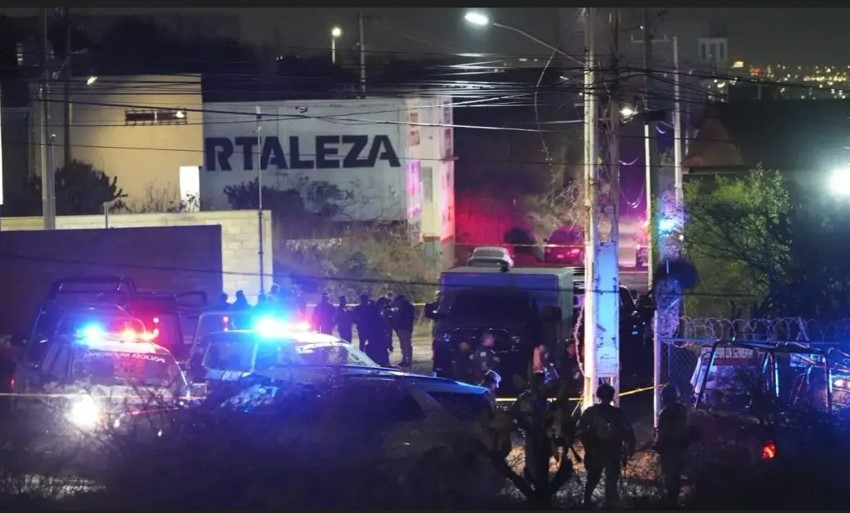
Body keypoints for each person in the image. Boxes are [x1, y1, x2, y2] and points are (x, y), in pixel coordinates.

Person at [576, 383, 636, 509]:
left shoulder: (594, 412)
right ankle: (599, 502)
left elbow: (627, 431)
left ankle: (600, 502)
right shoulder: (613, 413)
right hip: (599, 450)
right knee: (602, 477)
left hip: (606, 450)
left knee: (602, 478)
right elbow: (581, 430)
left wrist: (629, 444)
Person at [512, 372, 552, 491]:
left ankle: (541, 485)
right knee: (532, 461)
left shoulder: (544, 399)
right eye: (542, 382)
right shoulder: (525, 397)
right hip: (531, 433)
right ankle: (533, 484)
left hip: (543, 435)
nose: (544, 385)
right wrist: (522, 425)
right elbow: (516, 412)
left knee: (543, 460)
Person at [654, 384, 692, 507]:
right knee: (678, 474)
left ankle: (672, 502)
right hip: (683, 447)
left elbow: (662, 432)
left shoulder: (665, 412)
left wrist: (658, 444)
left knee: (671, 476)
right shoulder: (683, 409)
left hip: (670, 448)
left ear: (664, 397)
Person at [393, 294, 415, 367]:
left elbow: (400, 317)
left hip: (404, 327)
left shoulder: (404, 307)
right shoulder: (408, 306)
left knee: (405, 344)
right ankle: (406, 359)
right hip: (405, 327)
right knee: (405, 344)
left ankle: (406, 360)